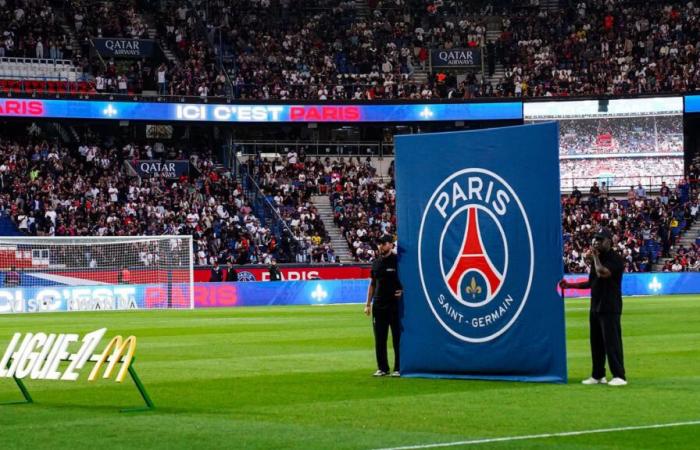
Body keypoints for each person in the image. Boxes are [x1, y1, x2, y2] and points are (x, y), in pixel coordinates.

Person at [560, 229, 627, 386]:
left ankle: (619, 375)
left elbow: (602, 273)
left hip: (610, 306)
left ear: (609, 242)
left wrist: (595, 257)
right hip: (596, 306)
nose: (596, 242)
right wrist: (570, 285)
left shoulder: (615, 259)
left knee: (612, 342)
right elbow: (591, 282)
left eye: (600, 239)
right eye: (595, 239)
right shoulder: (598, 259)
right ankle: (598, 375)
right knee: (596, 343)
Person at [364, 235, 402, 377]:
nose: (380, 246)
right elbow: (372, 284)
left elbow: (408, 279)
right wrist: (368, 304)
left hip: (394, 305)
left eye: (383, 244)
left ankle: (398, 368)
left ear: (391, 245)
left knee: (397, 338)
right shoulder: (376, 262)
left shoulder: (398, 261)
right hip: (378, 306)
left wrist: (403, 291)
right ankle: (383, 368)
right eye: (379, 244)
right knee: (380, 338)